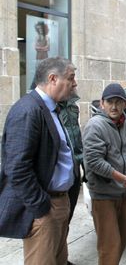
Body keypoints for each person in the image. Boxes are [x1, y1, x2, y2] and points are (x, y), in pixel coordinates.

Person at [0, 57, 77, 264]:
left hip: (59, 203)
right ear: (53, 79)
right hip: (45, 208)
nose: (75, 83)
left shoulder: (51, 109)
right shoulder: (28, 110)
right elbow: (16, 168)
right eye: (71, 78)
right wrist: (41, 208)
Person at [83, 83, 126, 265]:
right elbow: (95, 162)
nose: (114, 107)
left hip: (121, 192)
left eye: (118, 102)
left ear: (125, 104)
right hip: (103, 195)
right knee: (109, 246)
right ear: (102, 103)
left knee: (121, 242)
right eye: (110, 102)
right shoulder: (95, 126)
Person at [30, 82, 83, 265]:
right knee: (50, 226)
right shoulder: (44, 109)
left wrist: (81, 162)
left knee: (65, 217)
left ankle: (61, 254)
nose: (74, 84)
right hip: (53, 176)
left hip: (74, 168)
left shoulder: (73, 107)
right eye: (70, 78)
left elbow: (76, 137)